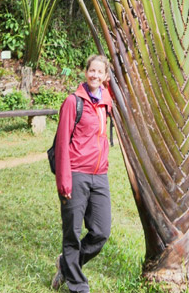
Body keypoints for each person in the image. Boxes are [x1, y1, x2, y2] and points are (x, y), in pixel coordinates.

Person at [51, 54, 114, 292]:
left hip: (100, 175)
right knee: (73, 233)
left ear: (105, 77)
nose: (95, 75)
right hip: (76, 173)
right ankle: (79, 286)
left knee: (101, 231)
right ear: (86, 72)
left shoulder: (106, 101)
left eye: (100, 72)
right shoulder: (73, 101)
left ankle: (66, 265)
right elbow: (61, 143)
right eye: (92, 71)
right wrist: (64, 181)